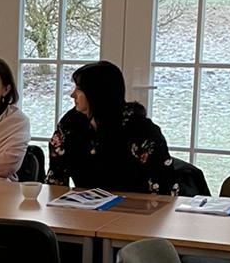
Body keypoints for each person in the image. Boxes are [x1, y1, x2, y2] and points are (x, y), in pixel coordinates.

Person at [47, 61, 180, 194]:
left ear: (98, 93)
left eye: (79, 89)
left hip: (135, 204)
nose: (72, 94)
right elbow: (56, 180)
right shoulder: (69, 124)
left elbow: (164, 189)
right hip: (84, 204)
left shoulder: (140, 129)